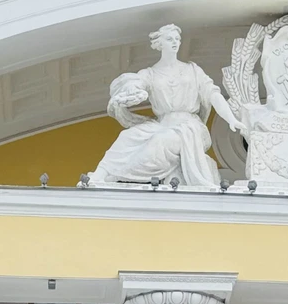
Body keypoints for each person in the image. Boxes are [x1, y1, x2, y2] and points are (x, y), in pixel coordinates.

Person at [89, 24, 237, 187]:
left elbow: (213, 94)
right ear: (159, 44)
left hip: (189, 127)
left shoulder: (193, 70)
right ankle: (100, 175)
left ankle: (119, 175)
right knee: (127, 137)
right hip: (162, 124)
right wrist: (132, 91)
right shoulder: (150, 73)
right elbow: (135, 83)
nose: (175, 42)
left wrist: (231, 119)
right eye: (169, 39)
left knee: (160, 142)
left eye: (177, 39)